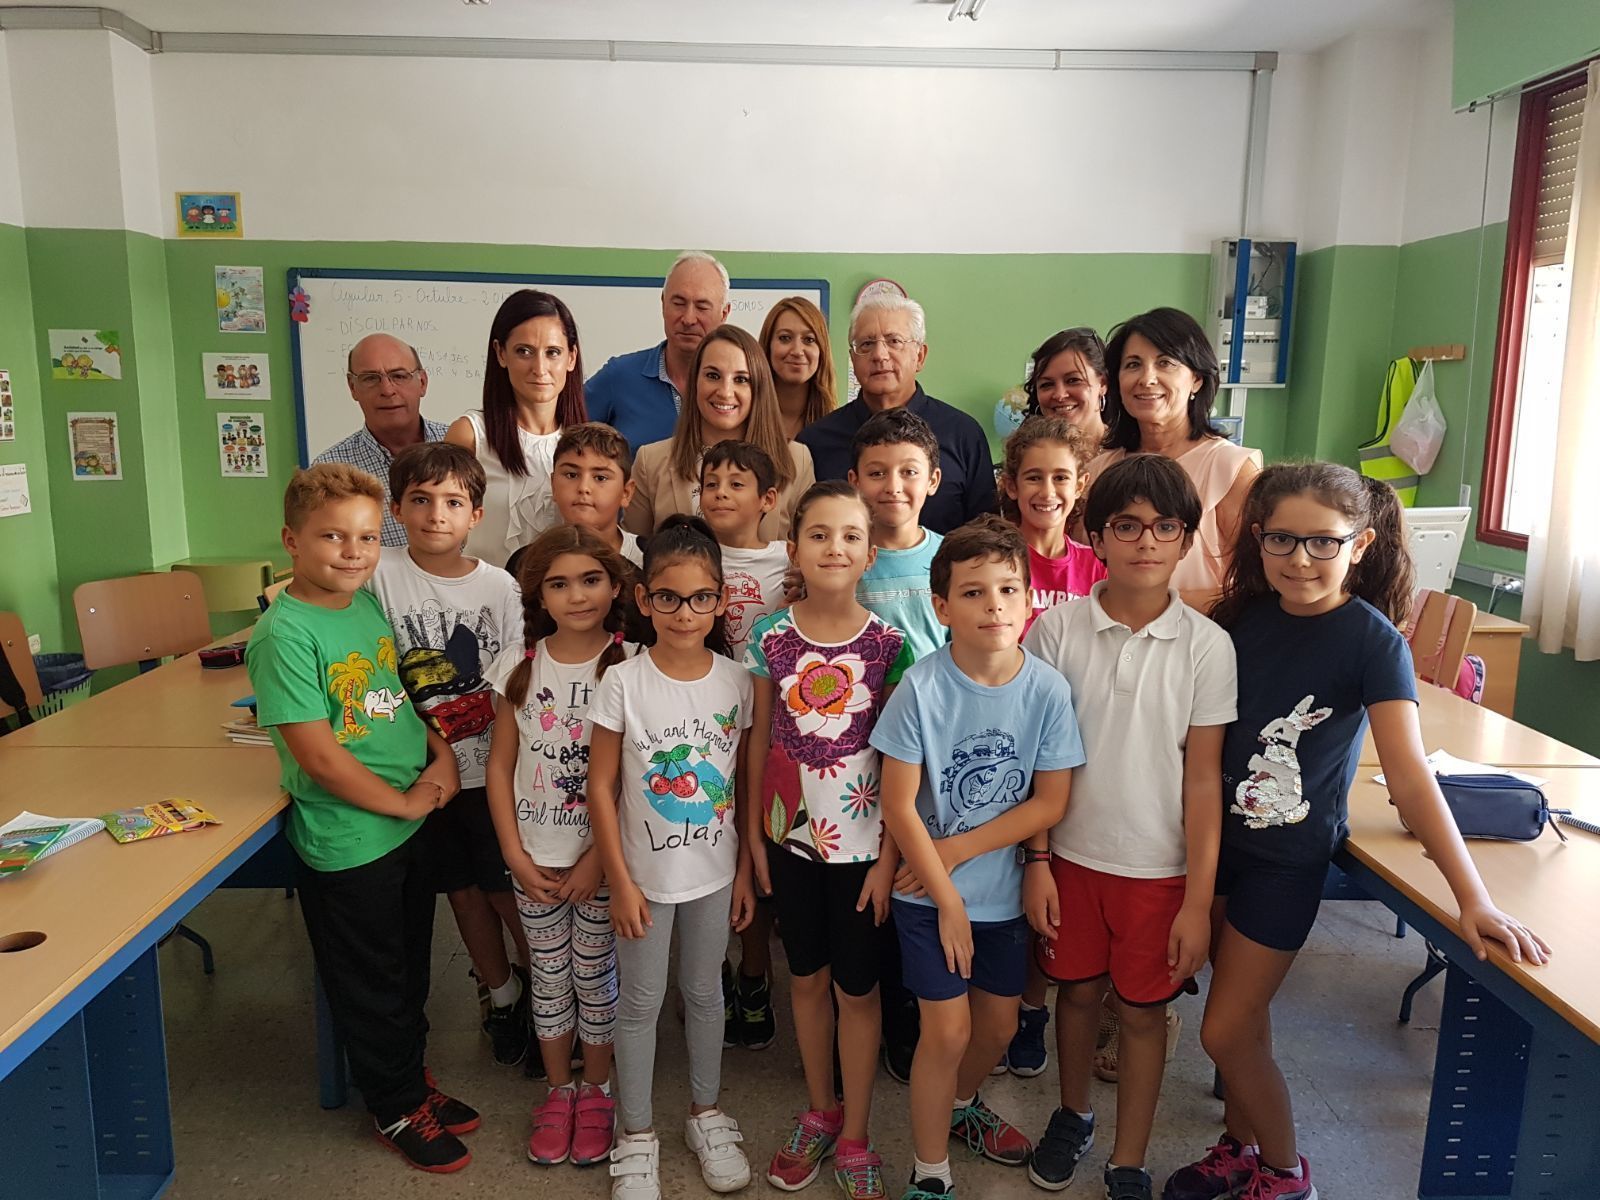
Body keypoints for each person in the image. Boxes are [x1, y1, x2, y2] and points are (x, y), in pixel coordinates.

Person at [1164, 463, 1550, 1200]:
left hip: (1286, 862)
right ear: (1258, 537)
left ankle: (1284, 1174)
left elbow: (1410, 780)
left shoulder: (1373, 643)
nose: (1300, 559)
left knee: (1222, 1032)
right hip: (1216, 849)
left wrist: (1473, 898)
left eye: (1322, 542)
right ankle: (1239, 1146)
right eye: (1282, 539)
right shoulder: (1243, 617)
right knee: (1242, 1025)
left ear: (1361, 543)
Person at [1021, 455, 1237, 1200]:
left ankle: (1129, 1157)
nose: (1146, 541)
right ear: (1097, 536)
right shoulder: (1054, 631)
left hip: (1161, 871)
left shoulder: (1208, 647)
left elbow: (1204, 780)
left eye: (1164, 526)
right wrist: (1037, 860)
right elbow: (1038, 762)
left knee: (1143, 1015)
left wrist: (1197, 902)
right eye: (1126, 526)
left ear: (1185, 540)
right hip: (1071, 859)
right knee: (1074, 997)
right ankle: (1073, 1114)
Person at [245, 463, 472, 1173]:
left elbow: (390, 701)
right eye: (332, 536)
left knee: (406, 968)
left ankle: (412, 1079)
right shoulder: (283, 635)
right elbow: (320, 758)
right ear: (291, 540)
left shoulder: (364, 606)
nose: (352, 551)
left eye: (368, 537)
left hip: (406, 822)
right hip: (352, 839)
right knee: (370, 982)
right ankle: (394, 1103)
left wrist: (438, 755)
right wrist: (405, 800)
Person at [873, 515, 1082, 1200]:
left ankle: (961, 1107)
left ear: (1028, 601)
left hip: (999, 889)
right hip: (925, 893)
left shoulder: (1048, 689)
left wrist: (961, 850)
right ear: (942, 607)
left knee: (996, 1025)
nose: (994, 605)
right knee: (948, 1027)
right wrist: (949, 898)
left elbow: (1049, 803)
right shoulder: (921, 690)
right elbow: (900, 805)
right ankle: (929, 1169)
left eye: (1007, 590)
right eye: (973, 592)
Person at [745, 480, 912, 1199]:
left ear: (870, 554)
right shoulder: (770, 637)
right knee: (805, 981)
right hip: (788, 842)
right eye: (818, 534)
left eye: (849, 536)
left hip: (866, 851)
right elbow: (758, 744)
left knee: (858, 989)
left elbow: (907, 767)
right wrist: (755, 839)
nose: (833, 548)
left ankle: (856, 1136)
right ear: (794, 548)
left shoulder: (890, 646)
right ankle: (820, 1108)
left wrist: (892, 860)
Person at [586, 517, 757, 1199]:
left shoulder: (738, 682)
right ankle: (635, 1135)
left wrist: (744, 870)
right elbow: (600, 787)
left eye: (698, 598)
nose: (683, 613)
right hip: (642, 883)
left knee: (706, 993)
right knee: (641, 1003)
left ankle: (706, 1112)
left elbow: (740, 787)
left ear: (720, 601)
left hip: (714, 876)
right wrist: (620, 882)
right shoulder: (623, 683)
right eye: (666, 597)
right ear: (641, 596)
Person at [366, 443, 530, 1068]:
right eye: (421, 500)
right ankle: (503, 991)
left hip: (491, 771)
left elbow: (514, 683)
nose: (437, 514)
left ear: (476, 514)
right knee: (460, 891)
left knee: (504, 890)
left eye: (453, 502)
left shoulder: (499, 586)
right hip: (420, 777)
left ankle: (544, 992)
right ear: (398, 510)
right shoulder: (377, 573)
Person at [485, 524, 637, 1171]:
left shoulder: (630, 666)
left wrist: (596, 861)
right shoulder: (519, 666)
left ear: (615, 585)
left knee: (596, 980)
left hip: (600, 862)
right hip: (534, 861)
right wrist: (516, 856)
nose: (577, 595)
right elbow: (498, 767)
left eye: (591, 579)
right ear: (538, 595)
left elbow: (635, 776)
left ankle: (598, 1092)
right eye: (559, 583)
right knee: (549, 977)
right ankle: (558, 1092)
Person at [694, 439, 789, 1049]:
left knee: (755, 863)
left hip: (774, 730)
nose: (722, 493)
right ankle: (709, 978)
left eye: (736, 483)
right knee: (708, 854)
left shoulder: (791, 561)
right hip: (704, 728)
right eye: (711, 483)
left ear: (768, 499)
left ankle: (755, 975)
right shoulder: (690, 557)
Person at [1088, 308, 1261, 612]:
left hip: (1200, 643)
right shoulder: (1098, 470)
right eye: (1133, 365)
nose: (1147, 378)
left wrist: (1155, 609)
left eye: (1165, 363)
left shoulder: (1230, 469)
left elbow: (1255, 583)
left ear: (1197, 379)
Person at [798, 294, 996, 534]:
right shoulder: (815, 441)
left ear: (920, 356)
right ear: (852, 358)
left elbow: (987, 532)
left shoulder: (963, 433)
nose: (880, 355)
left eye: (894, 341)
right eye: (866, 344)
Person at [625, 324, 815, 544]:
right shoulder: (651, 461)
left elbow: (805, 555)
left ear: (759, 388)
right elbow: (634, 559)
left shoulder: (797, 461)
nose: (725, 392)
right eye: (713, 376)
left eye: (741, 379)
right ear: (694, 382)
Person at [446, 289, 587, 569]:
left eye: (553, 353)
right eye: (524, 351)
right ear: (500, 353)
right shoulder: (471, 436)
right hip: (482, 604)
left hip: (564, 606)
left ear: (571, 357)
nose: (539, 367)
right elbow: (440, 532)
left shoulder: (587, 445)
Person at [586, 251, 732, 452]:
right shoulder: (619, 376)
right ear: (663, 303)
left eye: (702, 307)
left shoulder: (740, 389)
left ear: (724, 313)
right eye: (678, 304)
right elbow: (561, 434)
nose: (688, 319)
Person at [313, 333, 447, 547]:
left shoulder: (463, 446)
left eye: (399, 376)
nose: (387, 390)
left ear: (422, 382)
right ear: (352, 387)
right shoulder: (332, 473)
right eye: (370, 378)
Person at [851, 409, 948, 662]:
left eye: (909, 472)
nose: (893, 487)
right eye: (876, 474)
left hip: (934, 698)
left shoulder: (952, 556)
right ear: (855, 482)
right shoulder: (842, 558)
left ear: (933, 480)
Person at [999, 415, 1105, 637]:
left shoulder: (1098, 568)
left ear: (1079, 485)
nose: (1047, 493)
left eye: (1061, 478)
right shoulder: (992, 562)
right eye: (1034, 478)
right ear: (1011, 485)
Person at [550, 421, 642, 568]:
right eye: (571, 475)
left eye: (600, 478)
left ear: (626, 492)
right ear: (553, 485)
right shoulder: (529, 562)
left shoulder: (649, 560)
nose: (583, 488)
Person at [760, 296, 837, 440]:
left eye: (809, 340)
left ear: (821, 350)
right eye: (785, 338)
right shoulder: (744, 418)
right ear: (768, 345)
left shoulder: (837, 427)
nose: (797, 351)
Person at [1025, 328, 1110, 449]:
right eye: (1047, 384)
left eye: (1073, 380)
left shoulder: (1131, 458)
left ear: (1102, 384)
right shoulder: (1026, 459)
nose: (1060, 395)